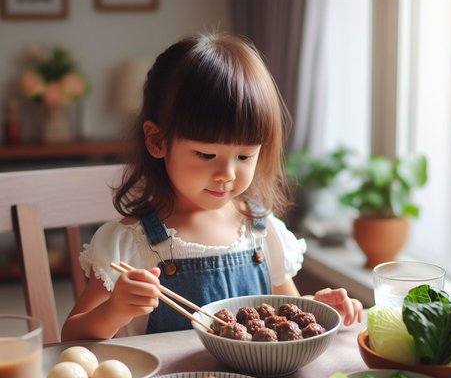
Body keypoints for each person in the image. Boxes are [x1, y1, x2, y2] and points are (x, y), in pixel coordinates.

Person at [61, 32, 362, 341]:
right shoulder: (130, 244)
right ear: (157, 141)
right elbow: (71, 336)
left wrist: (317, 308)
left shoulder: (261, 232)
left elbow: (286, 315)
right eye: (206, 155)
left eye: (245, 155)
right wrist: (115, 310)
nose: (226, 174)